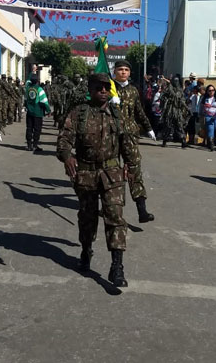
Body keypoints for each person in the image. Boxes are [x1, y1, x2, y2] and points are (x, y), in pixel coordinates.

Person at [56, 73, 138, 287]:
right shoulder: (79, 113)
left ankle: (117, 267)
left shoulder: (117, 114)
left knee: (115, 217)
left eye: (106, 87)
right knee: (87, 217)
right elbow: (64, 138)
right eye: (98, 87)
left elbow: (127, 143)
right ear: (90, 90)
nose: (103, 90)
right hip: (86, 174)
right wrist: (67, 156)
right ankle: (86, 249)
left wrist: (130, 165)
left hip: (112, 174)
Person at [112, 60, 157, 223]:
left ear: (129, 73)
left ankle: (142, 210)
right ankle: (111, 206)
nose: (123, 72)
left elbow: (139, 111)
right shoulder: (108, 89)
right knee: (112, 171)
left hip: (130, 135)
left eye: (126, 70)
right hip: (112, 135)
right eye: (120, 70)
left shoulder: (133, 91)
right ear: (114, 71)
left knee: (135, 170)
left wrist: (149, 127)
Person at [159, 77, 190, 148]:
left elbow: (178, 98)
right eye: (174, 81)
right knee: (167, 125)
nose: (175, 83)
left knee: (179, 126)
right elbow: (163, 97)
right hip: (169, 110)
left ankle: (183, 141)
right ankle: (165, 140)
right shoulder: (168, 89)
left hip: (177, 111)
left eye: (177, 81)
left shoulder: (179, 90)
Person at [24, 74, 50, 152]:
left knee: (29, 128)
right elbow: (44, 102)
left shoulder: (28, 89)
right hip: (38, 113)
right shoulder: (40, 89)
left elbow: (25, 100)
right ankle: (35, 145)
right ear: (38, 81)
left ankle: (29, 145)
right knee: (37, 129)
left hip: (29, 112)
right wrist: (48, 110)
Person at [201, 84, 216, 152]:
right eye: (209, 90)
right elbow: (201, 106)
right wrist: (201, 114)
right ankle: (211, 144)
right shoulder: (205, 98)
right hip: (208, 116)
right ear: (207, 91)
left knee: (214, 129)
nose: (211, 92)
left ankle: (211, 141)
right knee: (210, 129)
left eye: (213, 90)